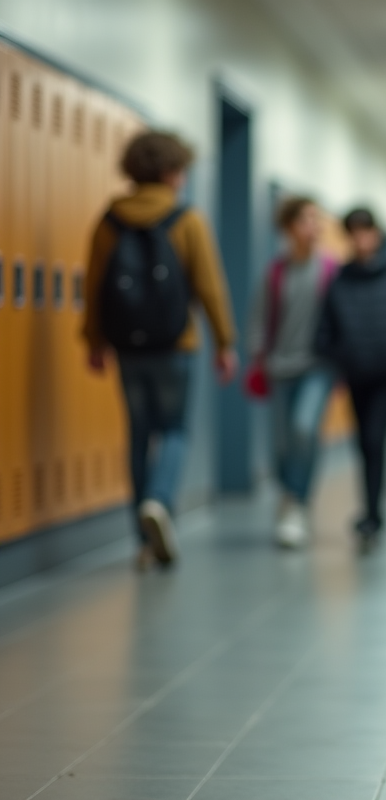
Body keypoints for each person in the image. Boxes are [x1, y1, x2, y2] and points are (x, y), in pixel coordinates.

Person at [83, 130, 238, 572]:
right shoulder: (186, 219)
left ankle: (143, 542)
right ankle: (159, 500)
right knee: (173, 429)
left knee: (138, 434)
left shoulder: (109, 219)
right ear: (170, 172)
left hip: (128, 347)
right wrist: (225, 342)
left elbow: (93, 285)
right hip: (175, 344)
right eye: (182, 170)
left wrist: (94, 341)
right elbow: (209, 286)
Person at [314, 208, 386, 552]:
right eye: (355, 233)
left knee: (377, 440)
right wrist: (341, 355)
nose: (362, 240)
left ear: (377, 235)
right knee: (364, 443)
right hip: (356, 374)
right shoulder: (339, 281)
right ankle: (370, 511)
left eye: (367, 232)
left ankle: (373, 514)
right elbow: (324, 332)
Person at [246, 196, 340, 548]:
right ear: (288, 228)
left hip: (318, 367)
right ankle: (289, 496)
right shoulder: (275, 273)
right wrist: (258, 356)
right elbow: (258, 319)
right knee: (283, 444)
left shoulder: (331, 270)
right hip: (280, 366)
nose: (313, 226)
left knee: (304, 429)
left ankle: (298, 502)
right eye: (305, 219)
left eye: (317, 219)